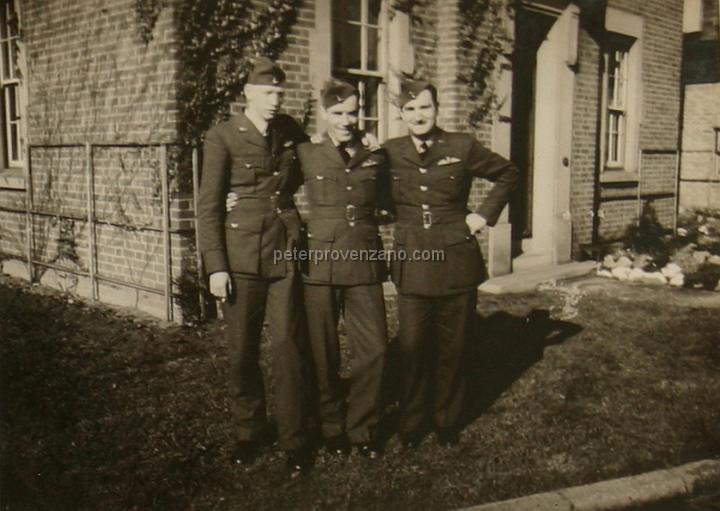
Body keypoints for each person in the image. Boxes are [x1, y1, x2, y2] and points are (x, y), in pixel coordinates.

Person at [383, 79, 519, 448]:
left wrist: (482, 217)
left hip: (456, 257)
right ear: (400, 114)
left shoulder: (461, 146)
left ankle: (446, 421)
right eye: (410, 109)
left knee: (453, 346)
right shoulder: (389, 151)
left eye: (425, 107)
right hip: (412, 258)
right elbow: (365, 188)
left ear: (437, 108)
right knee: (411, 346)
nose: (418, 115)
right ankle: (411, 424)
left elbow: (508, 173)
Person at [196, 57, 310, 477]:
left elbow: (308, 172)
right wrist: (215, 266)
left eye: (280, 92)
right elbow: (208, 206)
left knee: (288, 347)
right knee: (242, 351)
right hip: (240, 257)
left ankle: (297, 437)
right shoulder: (222, 137)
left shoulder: (290, 132)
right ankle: (250, 430)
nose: (276, 100)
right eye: (267, 92)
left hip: (283, 252)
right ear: (247, 93)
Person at [298, 79, 390, 459]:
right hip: (320, 262)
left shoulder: (376, 156)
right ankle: (332, 425)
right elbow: (272, 185)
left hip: (364, 262)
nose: (346, 121)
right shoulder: (306, 153)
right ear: (324, 113)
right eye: (337, 113)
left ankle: (362, 427)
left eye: (352, 112)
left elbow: (392, 198)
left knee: (376, 350)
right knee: (323, 351)